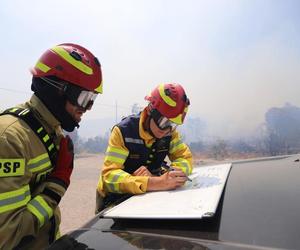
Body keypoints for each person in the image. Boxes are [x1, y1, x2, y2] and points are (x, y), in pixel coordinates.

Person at [0, 43, 103, 249]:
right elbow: (7, 234)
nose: (87, 108)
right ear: (56, 90)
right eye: (84, 98)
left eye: (92, 99)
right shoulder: (10, 139)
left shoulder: (49, 128)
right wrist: (57, 184)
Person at [96, 83, 192, 212]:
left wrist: (171, 175)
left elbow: (185, 158)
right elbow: (109, 176)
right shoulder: (123, 131)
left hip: (147, 196)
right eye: (164, 122)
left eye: (172, 124)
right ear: (151, 110)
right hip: (114, 200)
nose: (167, 130)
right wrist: (155, 182)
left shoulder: (170, 133)